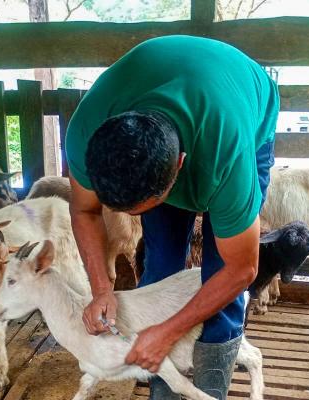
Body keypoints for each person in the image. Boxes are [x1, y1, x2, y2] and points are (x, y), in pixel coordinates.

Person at [65, 35, 278, 399]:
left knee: (219, 274)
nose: (131, 217)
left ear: (179, 168)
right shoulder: (87, 133)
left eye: (142, 208)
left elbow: (241, 270)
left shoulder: (227, 158)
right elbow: (84, 210)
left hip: (241, 104)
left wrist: (166, 332)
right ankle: (163, 391)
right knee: (160, 264)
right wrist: (102, 290)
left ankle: (211, 389)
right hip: (167, 119)